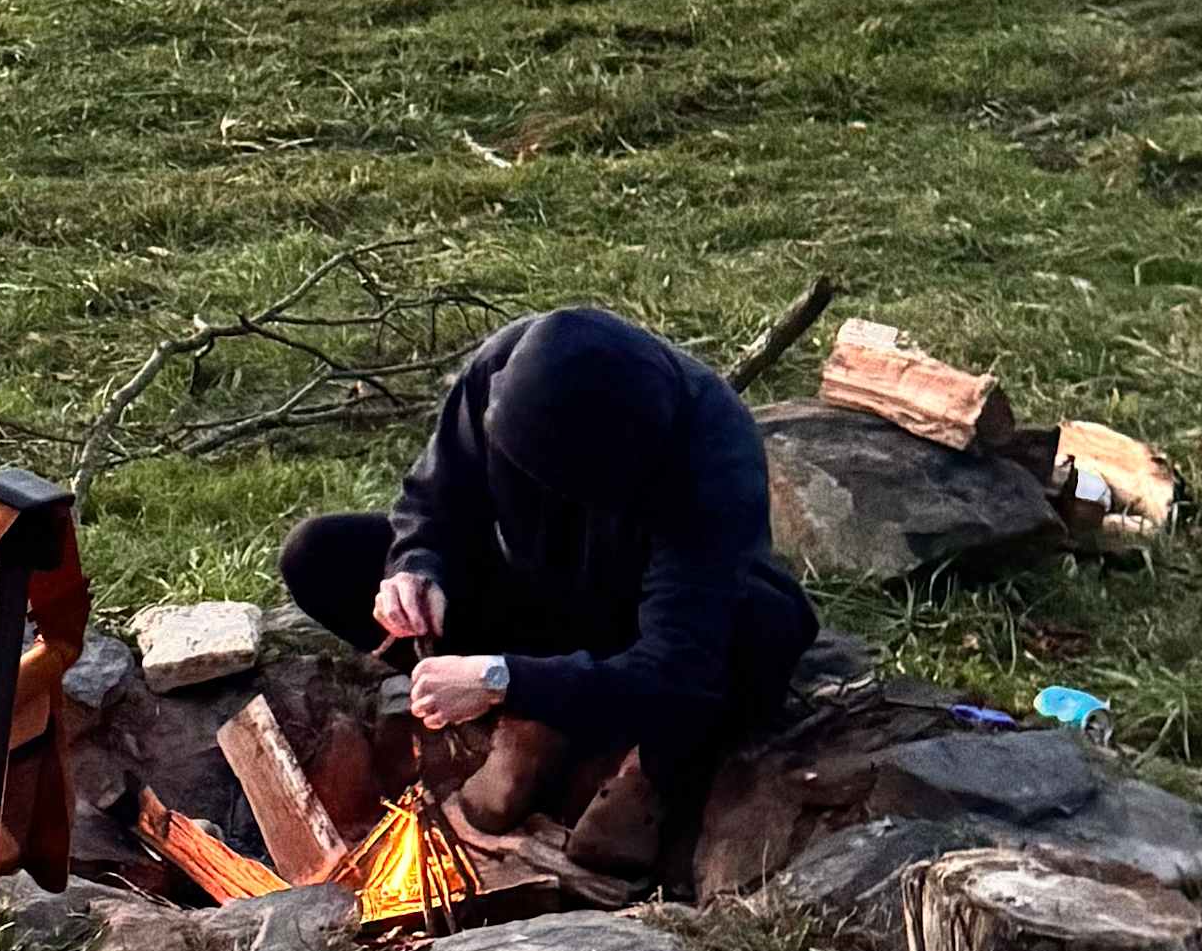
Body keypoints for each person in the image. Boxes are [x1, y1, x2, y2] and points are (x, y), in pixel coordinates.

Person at [280, 304, 817, 880]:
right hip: (540, 605)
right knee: (317, 553)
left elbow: (676, 667)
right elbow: (434, 503)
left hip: (644, 633)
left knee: (767, 626)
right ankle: (542, 724)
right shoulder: (500, 372)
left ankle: (632, 766)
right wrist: (417, 570)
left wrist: (499, 679)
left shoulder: (712, 451)